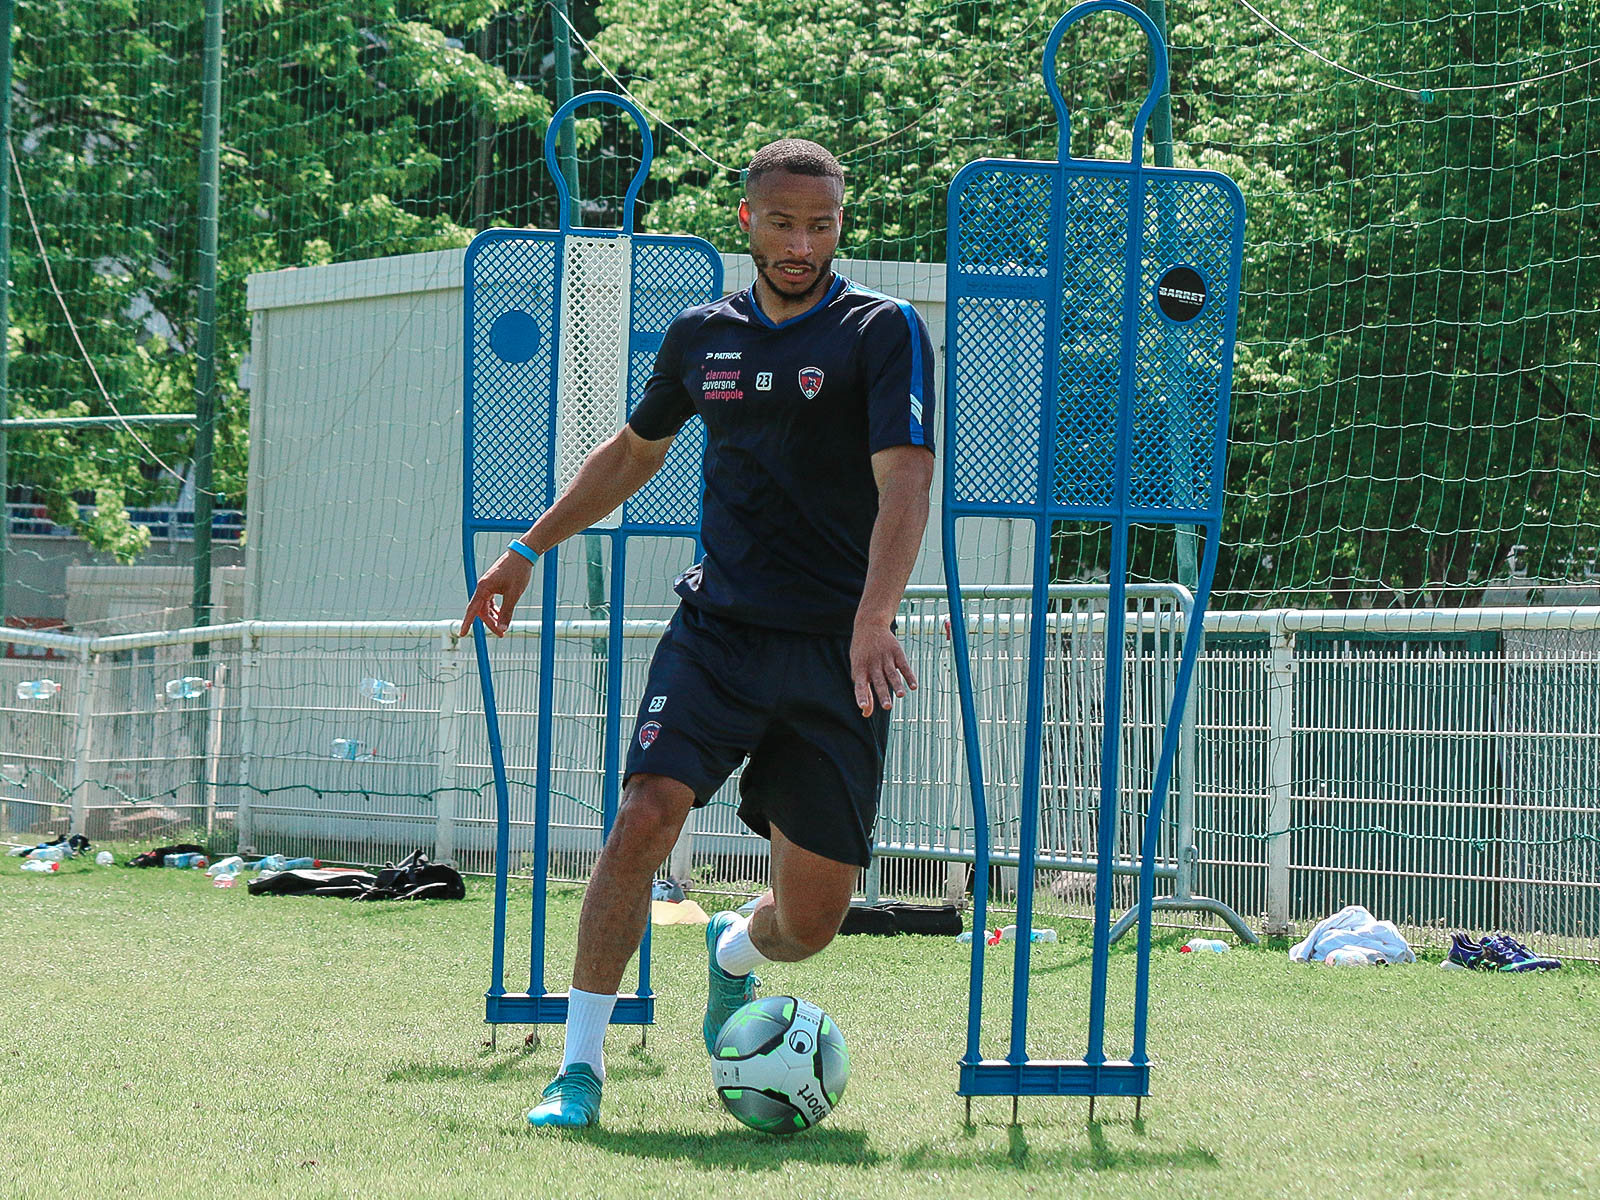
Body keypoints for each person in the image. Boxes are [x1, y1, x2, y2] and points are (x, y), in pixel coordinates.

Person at [459, 138, 936, 1128]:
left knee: (809, 927)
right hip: (715, 630)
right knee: (642, 817)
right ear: (746, 221)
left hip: (832, 652)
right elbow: (634, 452)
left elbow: (906, 482)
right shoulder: (698, 334)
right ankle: (578, 1072)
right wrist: (526, 550)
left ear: (840, 227)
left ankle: (732, 950)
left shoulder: (880, 331)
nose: (802, 242)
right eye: (783, 222)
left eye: (822, 225)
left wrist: (871, 621)